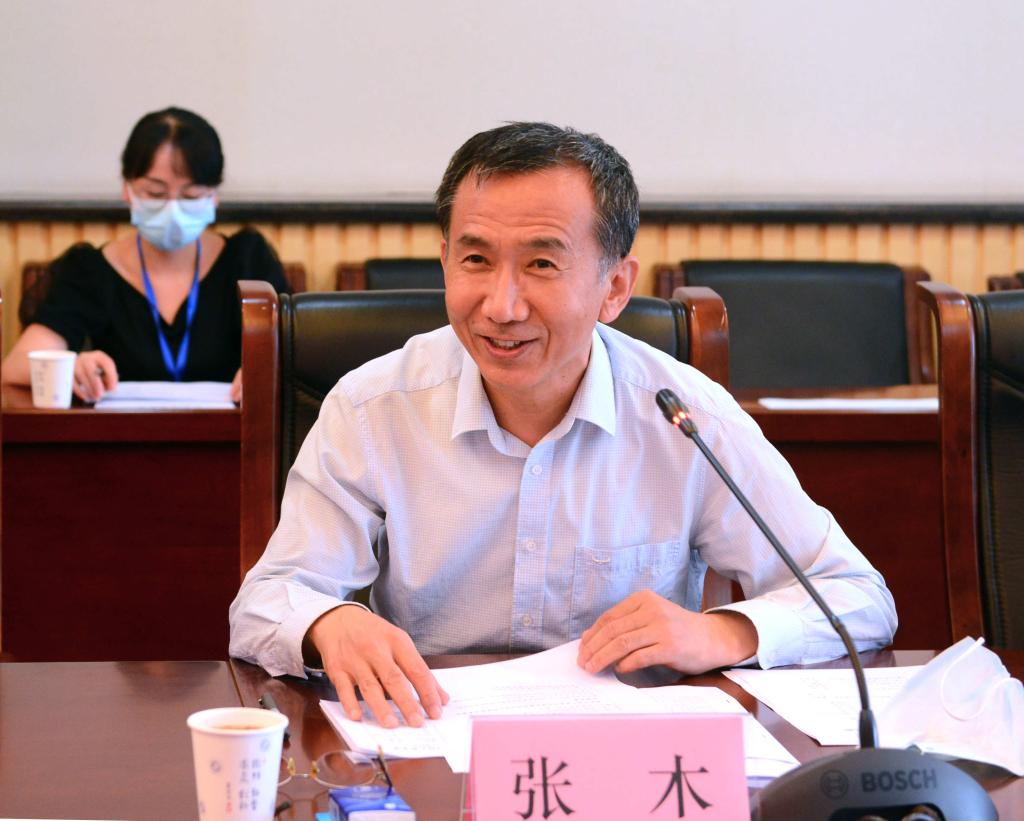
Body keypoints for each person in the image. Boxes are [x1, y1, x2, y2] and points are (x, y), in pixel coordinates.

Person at [230, 122, 896, 729]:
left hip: (628, 761)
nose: (501, 305)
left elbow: (857, 595)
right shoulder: (373, 406)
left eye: (542, 264)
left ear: (615, 288)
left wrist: (724, 632)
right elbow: (265, 601)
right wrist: (330, 621)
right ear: (445, 262)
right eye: (475, 260)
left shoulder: (684, 415)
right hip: (432, 746)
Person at [2, 106, 290, 403]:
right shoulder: (88, 271)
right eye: (155, 193)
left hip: (235, 432)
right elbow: (14, 368)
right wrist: (72, 368)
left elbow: (298, 361)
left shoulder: (248, 262)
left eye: (190, 196)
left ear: (214, 195)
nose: (173, 210)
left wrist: (273, 371)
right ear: (127, 188)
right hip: (119, 432)